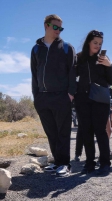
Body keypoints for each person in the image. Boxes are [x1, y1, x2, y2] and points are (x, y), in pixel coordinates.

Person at [31, 14, 76, 177]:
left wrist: (70, 94)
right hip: (42, 97)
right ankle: (57, 162)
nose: (58, 30)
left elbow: (72, 71)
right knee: (51, 132)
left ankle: (65, 164)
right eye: (55, 27)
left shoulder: (66, 47)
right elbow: (34, 74)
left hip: (61, 96)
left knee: (63, 132)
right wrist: (36, 96)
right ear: (46, 26)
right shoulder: (36, 48)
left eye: (60, 28)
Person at [74, 30, 112, 175]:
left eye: (100, 43)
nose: (98, 46)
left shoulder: (104, 58)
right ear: (88, 42)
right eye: (95, 43)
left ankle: (105, 163)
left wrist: (108, 66)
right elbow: (72, 77)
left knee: (100, 131)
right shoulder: (78, 58)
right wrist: (72, 95)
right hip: (82, 99)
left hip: (100, 100)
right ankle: (89, 162)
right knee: (86, 132)